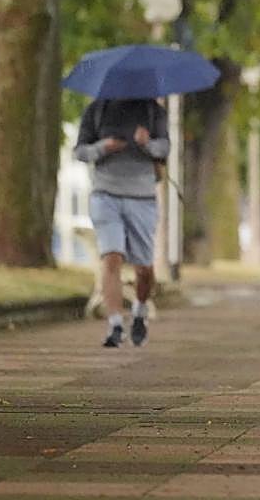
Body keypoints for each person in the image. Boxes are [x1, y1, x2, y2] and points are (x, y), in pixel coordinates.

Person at [74, 97, 169, 348]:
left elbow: (165, 148)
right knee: (111, 257)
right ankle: (115, 324)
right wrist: (103, 147)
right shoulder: (97, 110)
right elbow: (80, 151)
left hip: (142, 197)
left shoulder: (152, 111)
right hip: (106, 195)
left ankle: (139, 312)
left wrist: (146, 143)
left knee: (144, 268)